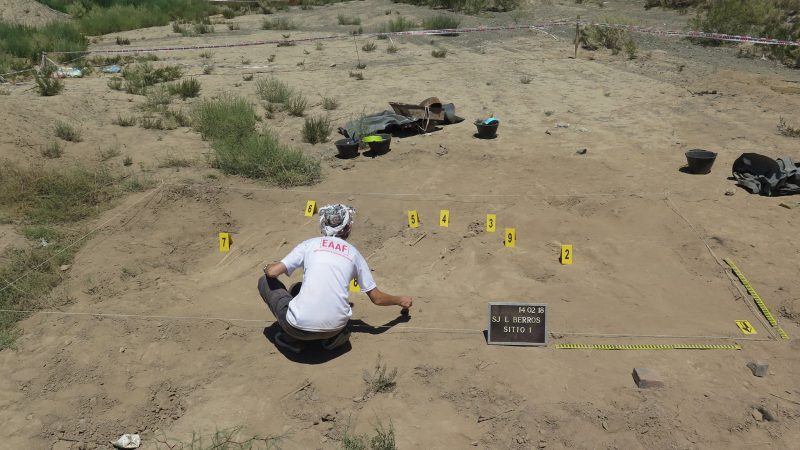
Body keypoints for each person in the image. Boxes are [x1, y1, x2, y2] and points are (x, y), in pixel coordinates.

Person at [259, 204, 413, 353]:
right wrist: (400, 300)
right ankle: (333, 338)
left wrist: (266, 267)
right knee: (297, 288)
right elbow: (377, 298)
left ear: (323, 224)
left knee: (265, 281)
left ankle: (292, 340)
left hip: (297, 329)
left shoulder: (309, 244)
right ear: (348, 228)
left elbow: (272, 272)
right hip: (335, 328)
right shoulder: (354, 254)